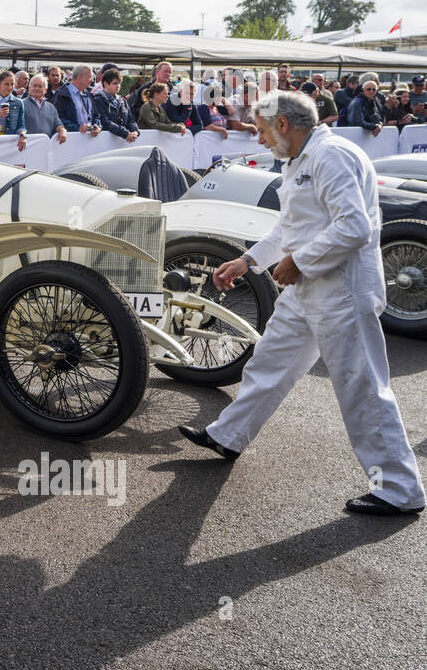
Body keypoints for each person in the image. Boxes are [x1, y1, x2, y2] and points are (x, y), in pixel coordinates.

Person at [178, 91, 427, 517]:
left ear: (284, 125)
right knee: (269, 362)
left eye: (259, 130)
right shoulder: (300, 160)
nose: (257, 139)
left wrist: (298, 260)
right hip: (309, 289)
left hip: (341, 293)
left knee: (362, 388)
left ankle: (400, 490)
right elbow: (290, 227)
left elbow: (355, 227)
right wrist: (248, 260)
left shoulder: (330, 157)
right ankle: (228, 436)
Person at [0, 70, 28, 150]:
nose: (10, 87)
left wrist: (22, 135)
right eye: (6, 84)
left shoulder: (18, 102)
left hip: (9, 142)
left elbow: (21, 125)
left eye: (12, 84)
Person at [92, 68, 140, 141]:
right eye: (115, 83)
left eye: (119, 83)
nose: (118, 86)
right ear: (105, 84)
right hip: (103, 143)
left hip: (123, 143)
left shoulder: (122, 100)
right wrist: (125, 134)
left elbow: (131, 119)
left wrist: (135, 131)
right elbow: (104, 122)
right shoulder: (97, 99)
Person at [55, 64, 101, 136]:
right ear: (79, 77)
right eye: (89, 77)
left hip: (89, 140)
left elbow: (96, 116)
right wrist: (77, 128)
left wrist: (97, 127)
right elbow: (57, 119)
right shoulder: (61, 94)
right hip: (70, 141)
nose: (92, 80)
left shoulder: (89, 93)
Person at [22, 74, 68, 144]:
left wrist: (62, 131)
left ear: (45, 90)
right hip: (27, 148)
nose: (37, 88)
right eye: (34, 86)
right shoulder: (21, 104)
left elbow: (58, 124)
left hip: (46, 148)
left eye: (40, 86)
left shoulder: (51, 107)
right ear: (29, 88)